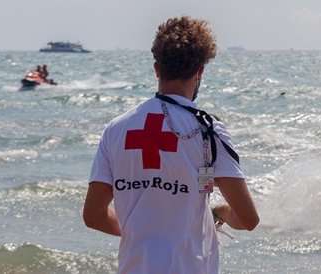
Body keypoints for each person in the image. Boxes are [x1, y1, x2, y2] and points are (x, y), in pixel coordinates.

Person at [82, 16, 259, 274]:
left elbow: (93, 216)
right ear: (200, 72)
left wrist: (143, 235)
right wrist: (219, 213)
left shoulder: (116, 129)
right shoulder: (209, 130)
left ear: (157, 69)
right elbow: (248, 219)